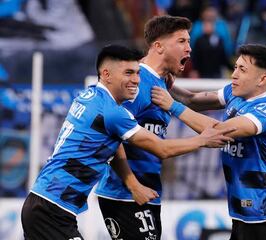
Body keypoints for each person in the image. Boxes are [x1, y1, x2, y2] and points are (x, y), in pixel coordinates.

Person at [20, 44, 234, 240]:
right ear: (106, 74)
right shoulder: (113, 113)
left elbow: (114, 148)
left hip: (48, 205)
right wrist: (202, 140)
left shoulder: (88, 96)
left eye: (138, 73)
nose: (136, 80)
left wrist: (133, 185)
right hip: (50, 210)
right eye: (128, 73)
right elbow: (161, 148)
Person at [152, 44, 266, 240]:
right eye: (235, 67)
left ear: (262, 79)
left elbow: (218, 131)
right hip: (242, 213)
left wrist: (172, 106)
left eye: (242, 70)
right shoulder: (235, 94)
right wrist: (164, 84)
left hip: (265, 216)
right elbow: (192, 99)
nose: (234, 74)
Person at [94, 15, 195, 240]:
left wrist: (231, 96)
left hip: (146, 191)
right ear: (158, 46)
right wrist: (132, 185)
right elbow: (109, 133)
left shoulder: (161, 81)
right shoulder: (136, 83)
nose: (189, 49)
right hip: (124, 194)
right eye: (182, 41)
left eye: (189, 42)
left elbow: (192, 100)